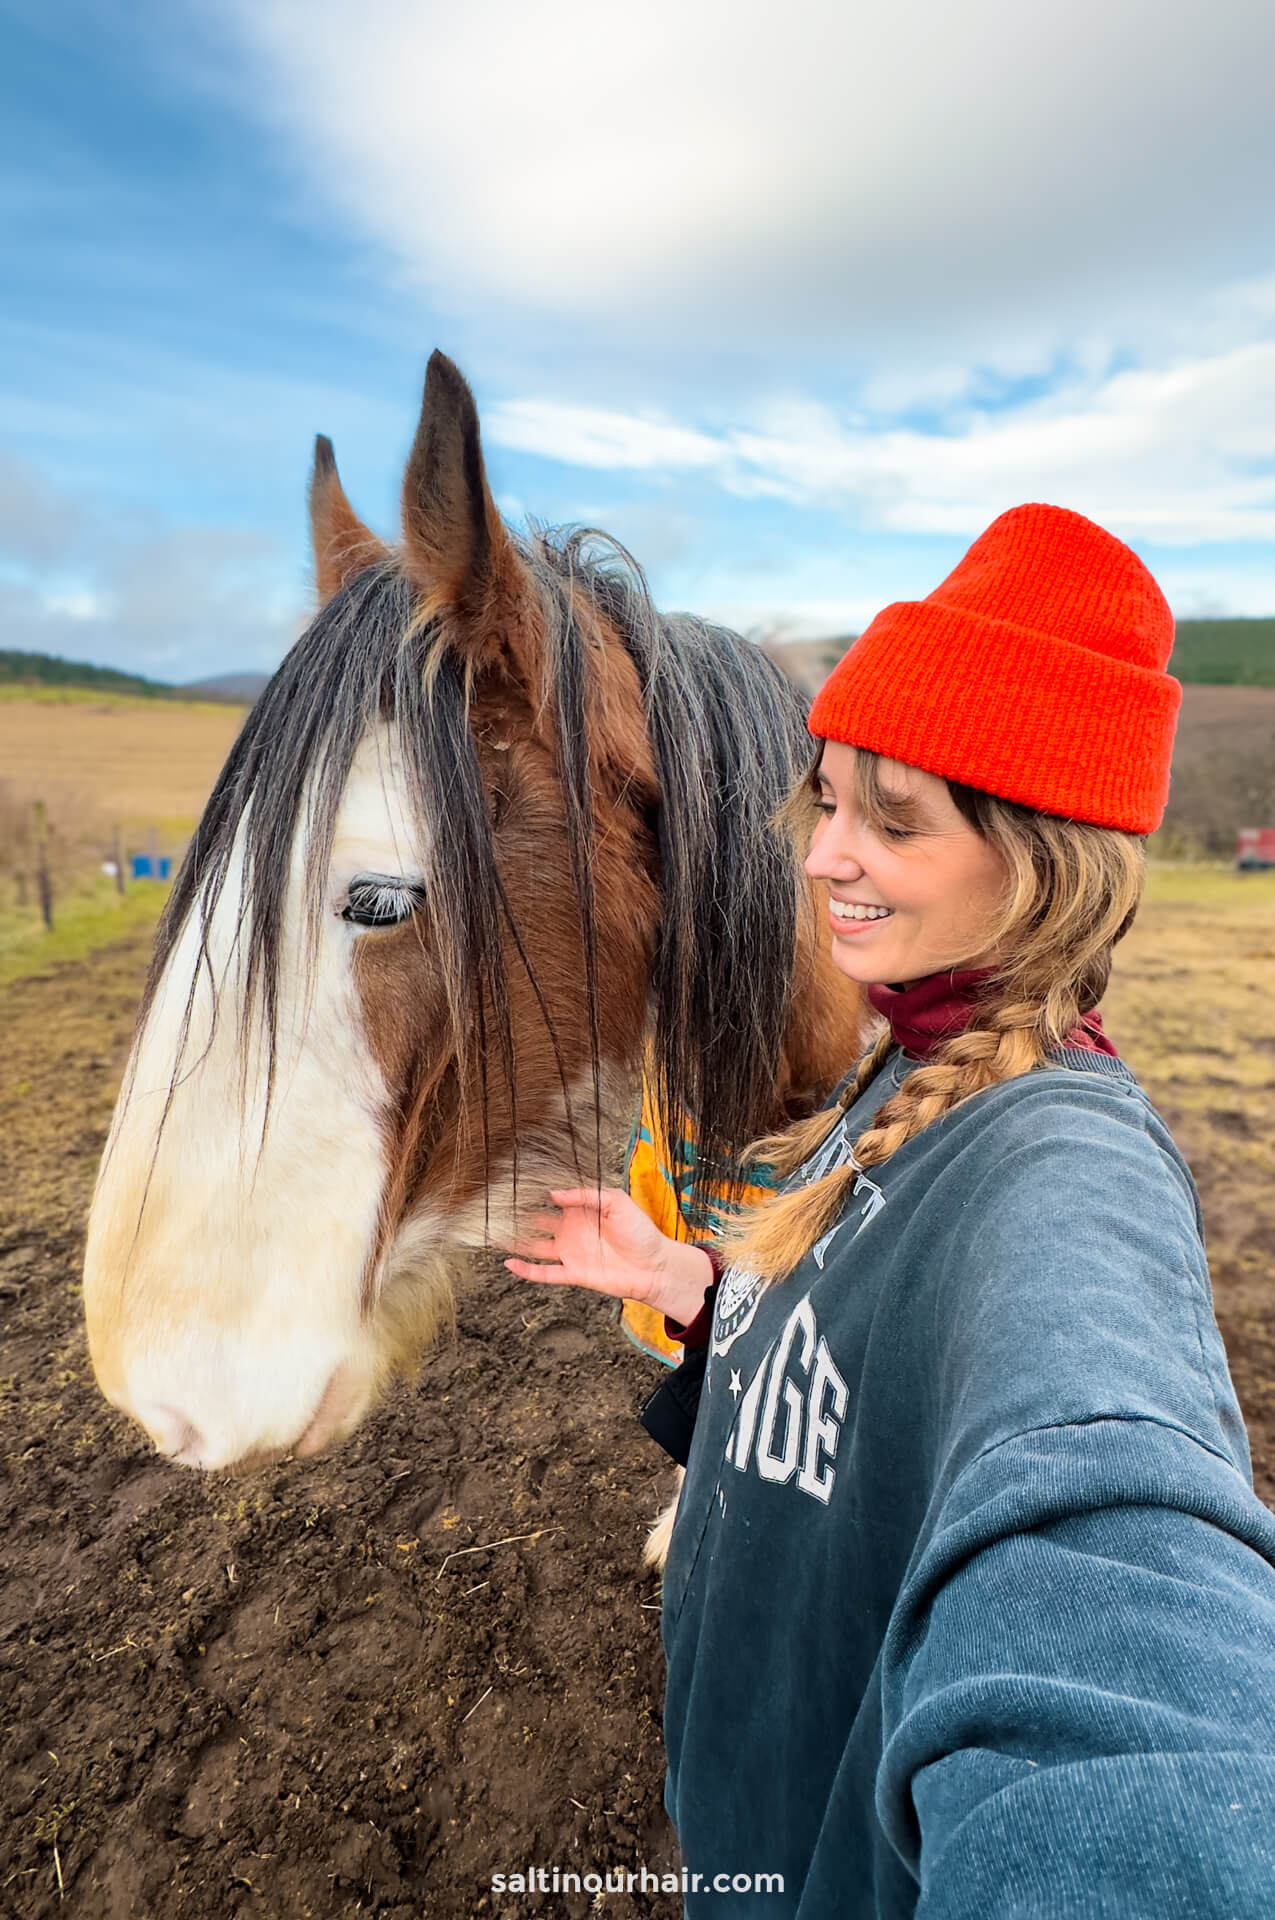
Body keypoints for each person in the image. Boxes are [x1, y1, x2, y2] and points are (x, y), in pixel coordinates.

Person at [502, 504, 1275, 1918]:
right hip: (750, 1821)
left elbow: (1122, 1614)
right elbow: (857, 1394)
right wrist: (698, 1292)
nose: (818, 858)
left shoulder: (1066, 1170)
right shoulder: (901, 1073)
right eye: (830, 798)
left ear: (1042, 863)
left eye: (894, 819)